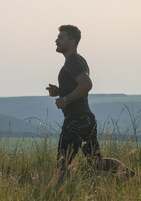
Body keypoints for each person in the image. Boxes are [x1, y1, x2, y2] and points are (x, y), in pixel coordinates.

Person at [46, 25, 134, 177]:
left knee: (62, 166)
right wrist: (59, 91)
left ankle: (61, 193)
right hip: (86, 119)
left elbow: (87, 84)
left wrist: (65, 99)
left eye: (61, 38)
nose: (56, 40)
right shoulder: (78, 60)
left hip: (75, 121)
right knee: (96, 163)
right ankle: (128, 174)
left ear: (72, 41)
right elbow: (78, 86)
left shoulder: (72, 62)